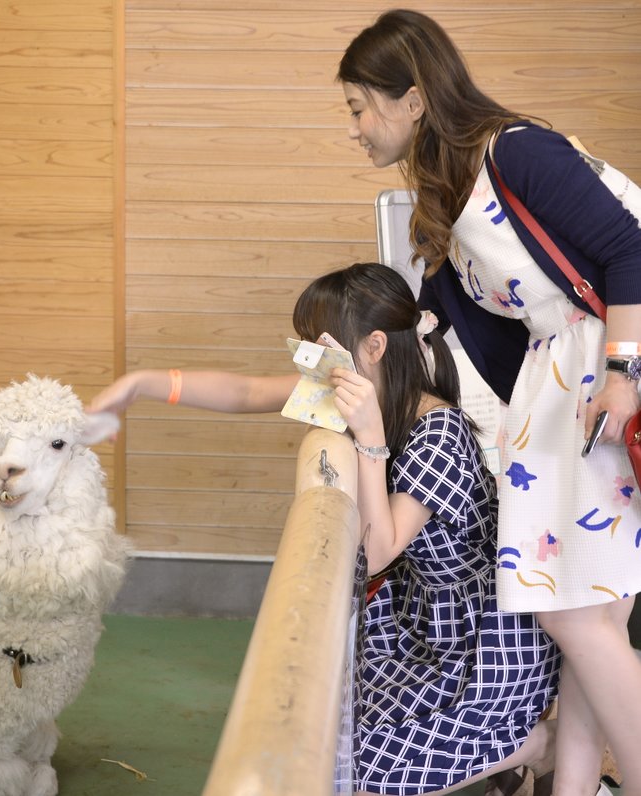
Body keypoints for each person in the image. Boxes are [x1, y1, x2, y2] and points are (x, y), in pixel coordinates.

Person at [89, 262, 561, 794]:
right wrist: (140, 384)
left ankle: (534, 746)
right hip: (419, 618)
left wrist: (369, 439)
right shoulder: (356, 388)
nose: (307, 359)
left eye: (319, 344)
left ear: (374, 347)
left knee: (359, 771)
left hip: (480, 644)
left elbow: (378, 550)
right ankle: (506, 760)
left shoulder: (438, 432)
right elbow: (246, 393)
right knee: (337, 737)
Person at [336, 9, 641, 796]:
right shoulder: (446, 206)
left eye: (360, 107)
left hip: (608, 371)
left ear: (412, 99)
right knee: (589, 617)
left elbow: (630, 249)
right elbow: (455, 342)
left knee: (575, 618)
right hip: (561, 388)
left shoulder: (519, 152)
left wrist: (624, 372)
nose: (357, 129)